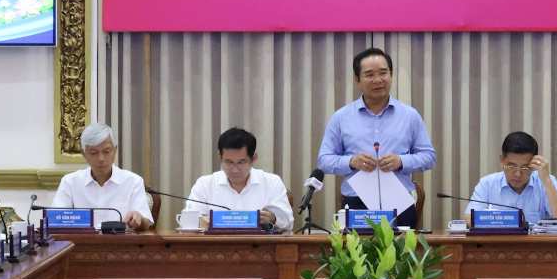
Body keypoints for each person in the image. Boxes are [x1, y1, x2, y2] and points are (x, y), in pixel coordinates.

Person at [317, 47, 436, 227]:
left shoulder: (410, 116)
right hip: (356, 203)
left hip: (399, 203)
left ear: (392, 75)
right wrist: (351, 161)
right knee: (355, 255)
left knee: (400, 254)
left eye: (383, 73)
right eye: (370, 75)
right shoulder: (341, 117)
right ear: (357, 80)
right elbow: (324, 160)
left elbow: (429, 157)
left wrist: (401, 161)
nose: (378, 80)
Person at [178, 127, 293, 231]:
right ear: (220, 157)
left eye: (241, 162)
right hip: (215, 249)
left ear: (254, 158)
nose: (234, 170)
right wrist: (202, 222)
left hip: (260, 248)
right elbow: (187, 222)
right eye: (229, 162)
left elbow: (288, 222)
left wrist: (273, 218)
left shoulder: (271, 182)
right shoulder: (205, 184)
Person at [51, 123, 154, 230]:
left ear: (115, 150)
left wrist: (138, 219)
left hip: (121, 244)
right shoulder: (70, 182)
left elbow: (145, 223)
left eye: (106, 151)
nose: (101, 158)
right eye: (94, 153)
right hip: (82, 244)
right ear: (84, 154)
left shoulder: (133, 181)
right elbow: (56, 219)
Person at [466, 131, 557, 225]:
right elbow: (469, 219)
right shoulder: (487, 183)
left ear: (534, 163)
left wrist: (547, 181)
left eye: (525, 167)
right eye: (511, 166)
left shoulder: (546, 181)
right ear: (502, 160)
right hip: (498, 244)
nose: (517, 174)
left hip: (537, 245)